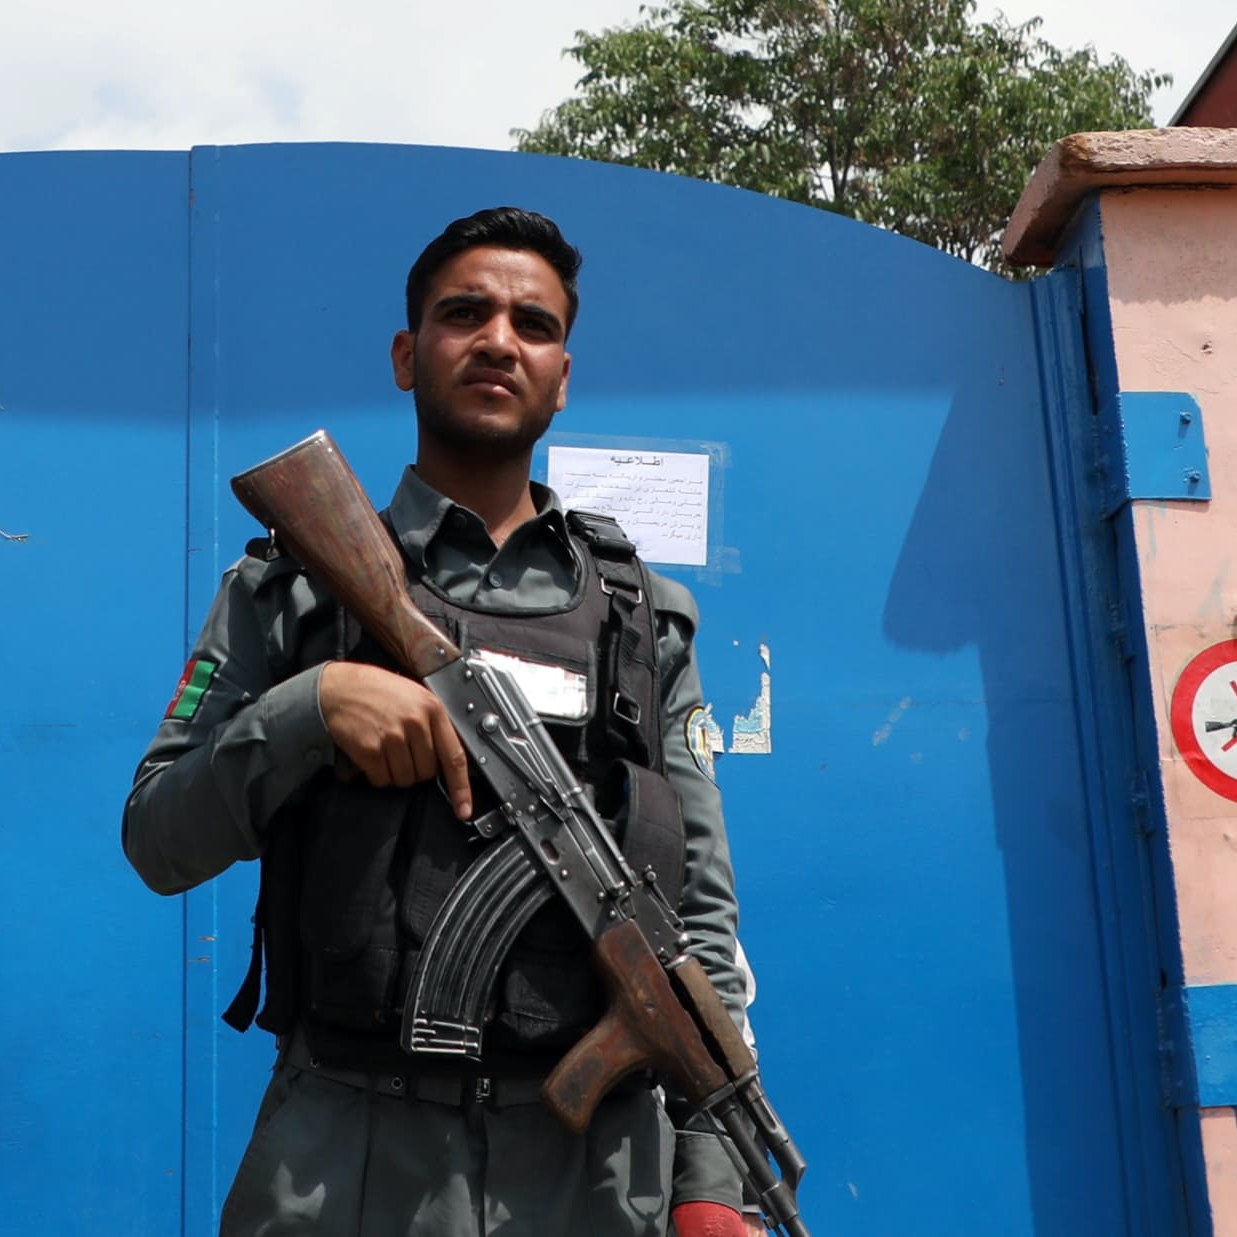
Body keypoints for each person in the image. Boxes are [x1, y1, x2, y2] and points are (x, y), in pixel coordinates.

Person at [122, 206, 760, 1237]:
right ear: (406, 354)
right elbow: (155, 835)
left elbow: (696, 921)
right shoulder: (292, 588)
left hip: (596, 1168)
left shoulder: (648, 615)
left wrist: (710, 1176)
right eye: (464, 313)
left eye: (533, 323)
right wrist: (310, 708)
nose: (499, 338)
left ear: (562, 373)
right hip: (343, 1154)